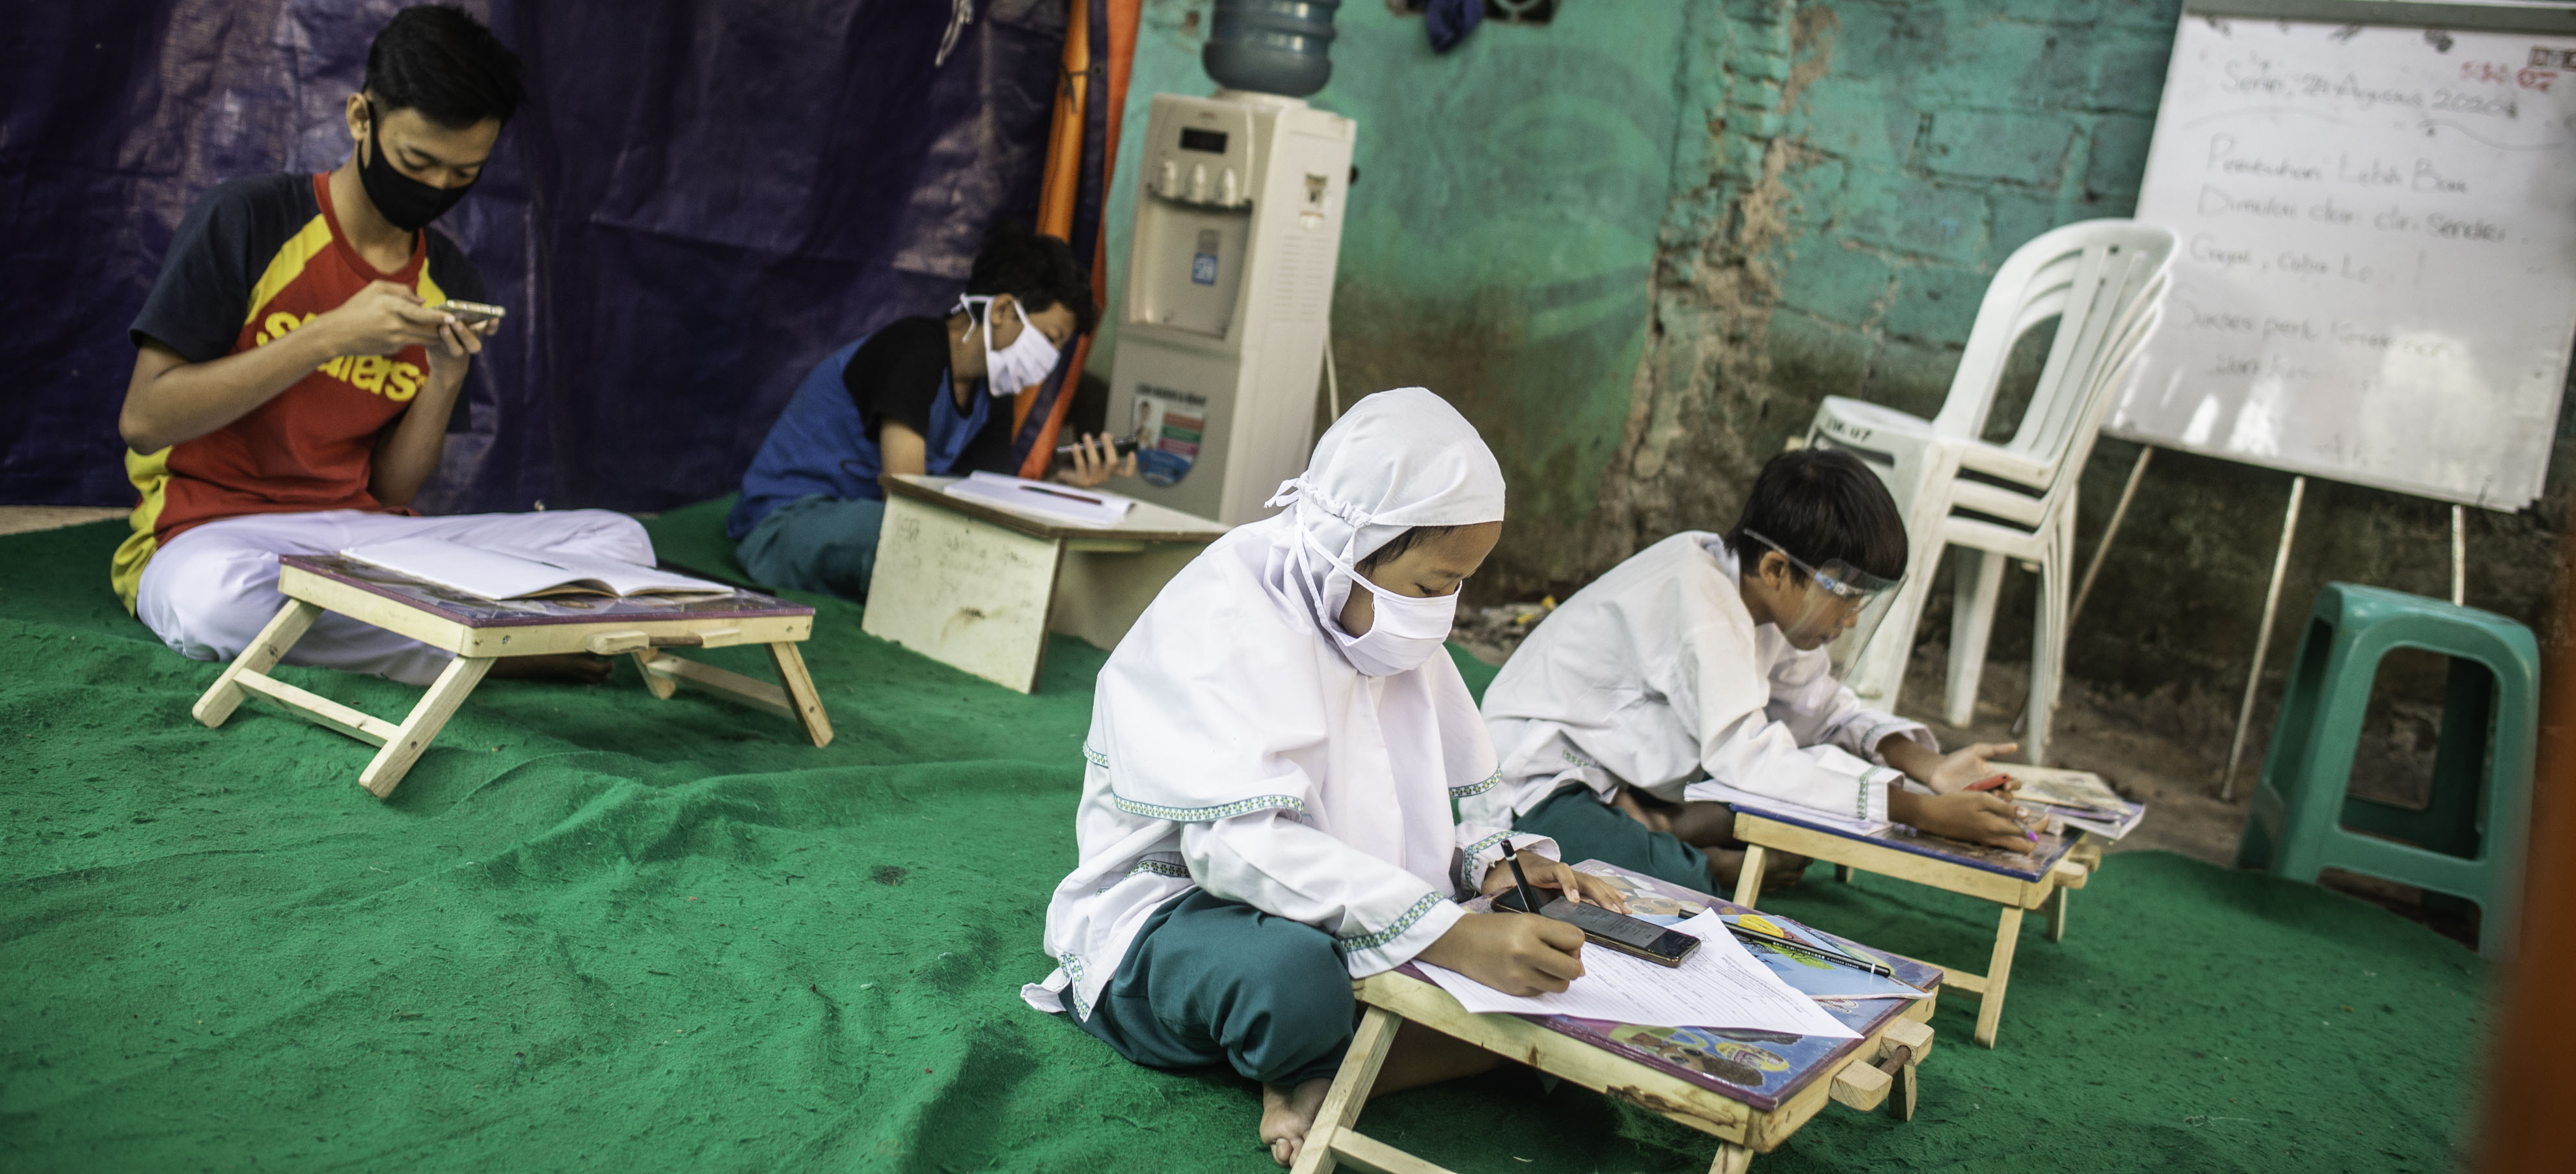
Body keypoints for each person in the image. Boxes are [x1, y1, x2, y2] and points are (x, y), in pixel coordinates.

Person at [1025, 389, 1625, 1167]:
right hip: (1179, 907)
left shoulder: (1389, 627)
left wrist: (1501, 863)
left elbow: (1451, 789)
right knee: (1286, 977)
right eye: (1432, 585)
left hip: (1349, 902)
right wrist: (1450, 937)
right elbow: (1231, 854)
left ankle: (1328, 1070)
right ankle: (1376, 1058)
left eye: (1460, 585)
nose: (1444, 612)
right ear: (1351, 542)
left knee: (1524, 949)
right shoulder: (1219, 619)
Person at [115, 4, 655, 685]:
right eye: (418, 162)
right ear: (360, 119)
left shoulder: (447, 273)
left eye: (464, 175)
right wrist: (331, 334)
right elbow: (145, 421)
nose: (437, 188)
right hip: (216, 532)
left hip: (367, 539)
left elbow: (392, 487)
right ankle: (501, 649)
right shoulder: (250, 218)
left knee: (620, 541)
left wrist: (446, 377)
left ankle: (461, 638)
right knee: (215, 604)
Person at [1482, 447, 2031, 898]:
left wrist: (1931, 770)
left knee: (1781, 785)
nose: (1851, 618)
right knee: (1682, 885)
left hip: (1618, 773)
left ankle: (1665, 829)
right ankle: (1711, 865)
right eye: (1844, 597)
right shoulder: (1704, 606)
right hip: (1537, 781)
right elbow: (1747, 758)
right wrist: (1922, 812)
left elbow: (1825, 708)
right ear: (1775, 569)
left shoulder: (1763, 601)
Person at [725, 225, 1120, 600]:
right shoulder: (913, 351)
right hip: (782, 527)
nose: (1050, 360)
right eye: (1050, 339)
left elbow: (989, 502)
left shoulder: (994, 390)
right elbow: (906, 501)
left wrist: (1060, 485)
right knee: (925, 535)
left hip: (865, 526)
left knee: (974, 541)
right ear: (1001, 310)